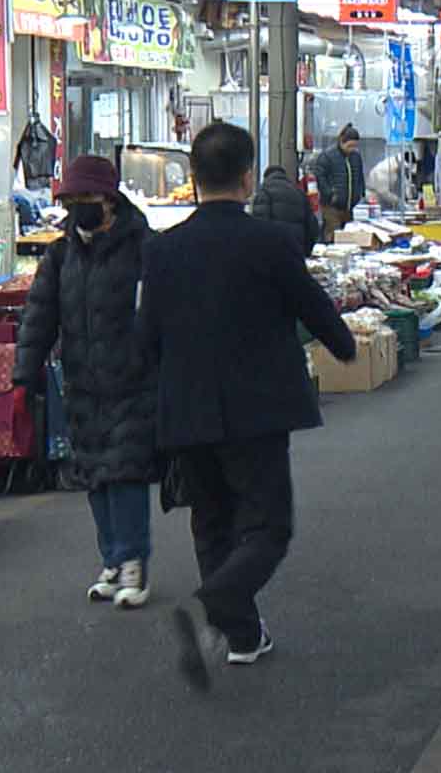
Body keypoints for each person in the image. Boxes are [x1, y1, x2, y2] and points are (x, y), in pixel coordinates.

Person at [142, 123, 356, 688]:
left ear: (193, 179)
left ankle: (241, 636)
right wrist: (345, 345)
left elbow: (146, 337)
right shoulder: (269, 242)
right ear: (245, 177)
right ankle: (219, 600)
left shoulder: (161, 251)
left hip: (185, 410)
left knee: (211, 521)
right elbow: (313, 308)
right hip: (256, 410)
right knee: (267, 526)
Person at [15, 156, 159, 609]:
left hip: (133, 381)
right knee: (95, 475)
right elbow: (39, 318)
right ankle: (113, 560)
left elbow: (166, 313)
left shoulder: (145, 248)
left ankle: (134, 562)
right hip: (80, 382)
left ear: (110, 200)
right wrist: (24, 375)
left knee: (126, 472)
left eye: (87, 199)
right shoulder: (60, 257)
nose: (78, 208)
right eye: (71, 201)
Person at [249, 165, 320, 256]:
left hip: (274, 254)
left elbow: (259, 228)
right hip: (296, 252)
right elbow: (312, 227)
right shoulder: (299, 193)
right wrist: (305, 251)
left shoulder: (264, 192)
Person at [311, 125, 365, 241]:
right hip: (332, 206)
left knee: (348, 238)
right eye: (349, 146)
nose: (352, 149)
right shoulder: (327, 156)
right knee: (333, 237)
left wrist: (361, 192)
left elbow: (360, 176)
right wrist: (330, 194)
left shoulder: (356, 157)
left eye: (354, 146)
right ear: (341, 142)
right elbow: (319, 177)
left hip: (349, 206)